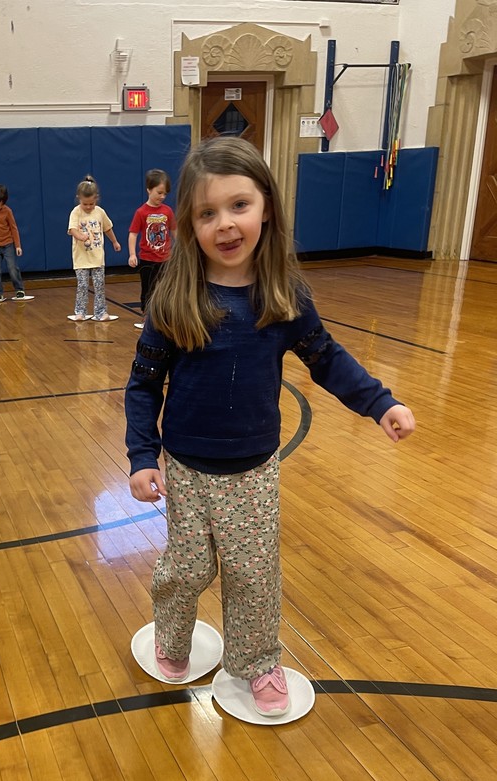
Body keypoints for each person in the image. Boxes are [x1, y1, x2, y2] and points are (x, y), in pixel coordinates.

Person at [124, 137, 415, 716]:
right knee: (185, 569)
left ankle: (257, 662)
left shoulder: (284, 295)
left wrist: (379, 403)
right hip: (186, 466)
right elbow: (143, 384)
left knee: (254, 574)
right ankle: (172, 638)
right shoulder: (174, 299)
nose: (225, 224)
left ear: (267, 210)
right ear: (188, 225)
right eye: (207, 213)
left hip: (254, 468)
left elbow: (326, 358)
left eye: (239, 206)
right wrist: (141, 456)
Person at [67, 175, 121, 321]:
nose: (89, 207)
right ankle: (80, 311)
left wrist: (115, 242)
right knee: (83, 286)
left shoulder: (100, 212)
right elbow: (72, 229)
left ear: (96, 198)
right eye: (85, 204)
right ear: (79, 198)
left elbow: (108, 228)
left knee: (99, 286)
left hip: (97, 258)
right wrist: (80, 236)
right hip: (81, 258)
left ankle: (101, 312)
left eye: (92, 203)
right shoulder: (76, 212)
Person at [128, 169, 177, 329]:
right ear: (149, 189)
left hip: (165, 259)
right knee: (148, 289)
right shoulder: (141, 212)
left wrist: (182, 248)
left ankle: (164, 318)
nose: (162, 197)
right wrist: (132, 254)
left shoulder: (167, 211)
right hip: (148, 259)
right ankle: (147, 318)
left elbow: (175, 231)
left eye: (165, 194)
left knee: (165, 289)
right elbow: (133, 234)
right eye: (159, 192)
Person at [0, 183, 31, 302]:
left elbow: (14, 228)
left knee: (13, 268)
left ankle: (19, 290)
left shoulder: (7, 211)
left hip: (8, 244)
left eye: (2, 204)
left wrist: (18, 246)